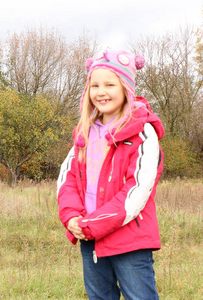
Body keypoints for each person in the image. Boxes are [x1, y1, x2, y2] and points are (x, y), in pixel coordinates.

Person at [57, 49, 164, 300]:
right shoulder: (85, 132)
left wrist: (93, 225)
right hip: (89, 238)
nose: (100, 91)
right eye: (94, 85)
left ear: (125, 87)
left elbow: (136, 191)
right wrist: (71, 216)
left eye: (109, 84)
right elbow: (68, 179)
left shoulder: (142, 134)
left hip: (129, 241)